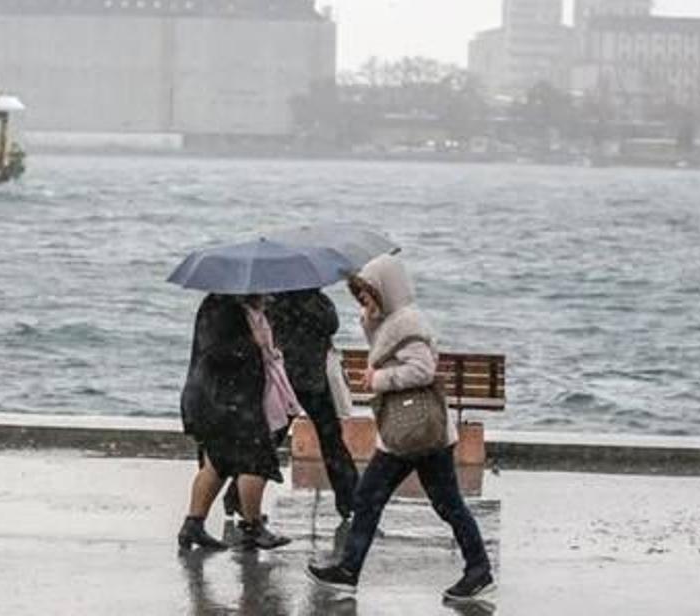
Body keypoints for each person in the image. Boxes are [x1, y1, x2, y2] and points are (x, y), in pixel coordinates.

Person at [307, 255, 495, 601]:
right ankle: (477, 568)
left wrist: (379, 379)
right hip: (415, 432)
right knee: (438, 502)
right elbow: (386, 350)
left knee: (378, 498)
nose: (362, 299)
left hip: (413, 431)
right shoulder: (393, 321)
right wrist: (370, 321)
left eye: (367, 293)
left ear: (386, 289)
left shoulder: (407, 324)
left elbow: (423, 370)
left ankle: (350, 571)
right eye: (360, 294)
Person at [178, 293, 298, 551]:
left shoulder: (244, 307)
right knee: (255, 463)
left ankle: (193, 525)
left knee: (217, 465)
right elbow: (215, 352)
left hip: (228, 399)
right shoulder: (221, 308)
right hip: (225, 401)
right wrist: (252, 344)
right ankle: (253, 527)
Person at [263, 288, 358, 519]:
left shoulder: (275, 299)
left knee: (272, 439)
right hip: (312, 381)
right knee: (332, 442)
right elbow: (332, 324)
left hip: (286, 379)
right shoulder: (317, 302)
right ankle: (350, 501)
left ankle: (237, 496)